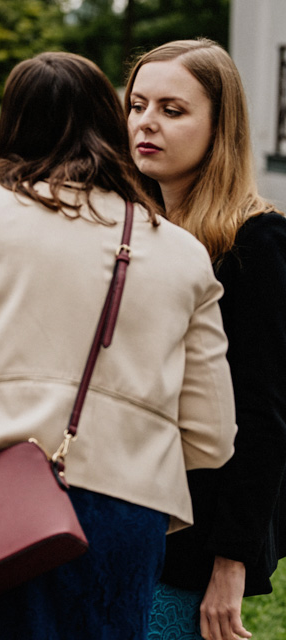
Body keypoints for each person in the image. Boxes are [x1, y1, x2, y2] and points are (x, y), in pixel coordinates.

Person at [0, 51, 238, 638]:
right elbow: (212, 436)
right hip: (124, 518)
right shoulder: (183, 253)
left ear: (10, 126)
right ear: (111, 123)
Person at [125, 38, 286, 640]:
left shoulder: (256, 242)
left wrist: (231, 561)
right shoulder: (132, 230)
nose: (147, 122)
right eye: (138, 105)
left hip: (193, 541)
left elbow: (264, 417)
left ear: (221, 127)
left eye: (172, 110)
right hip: (118, 517)